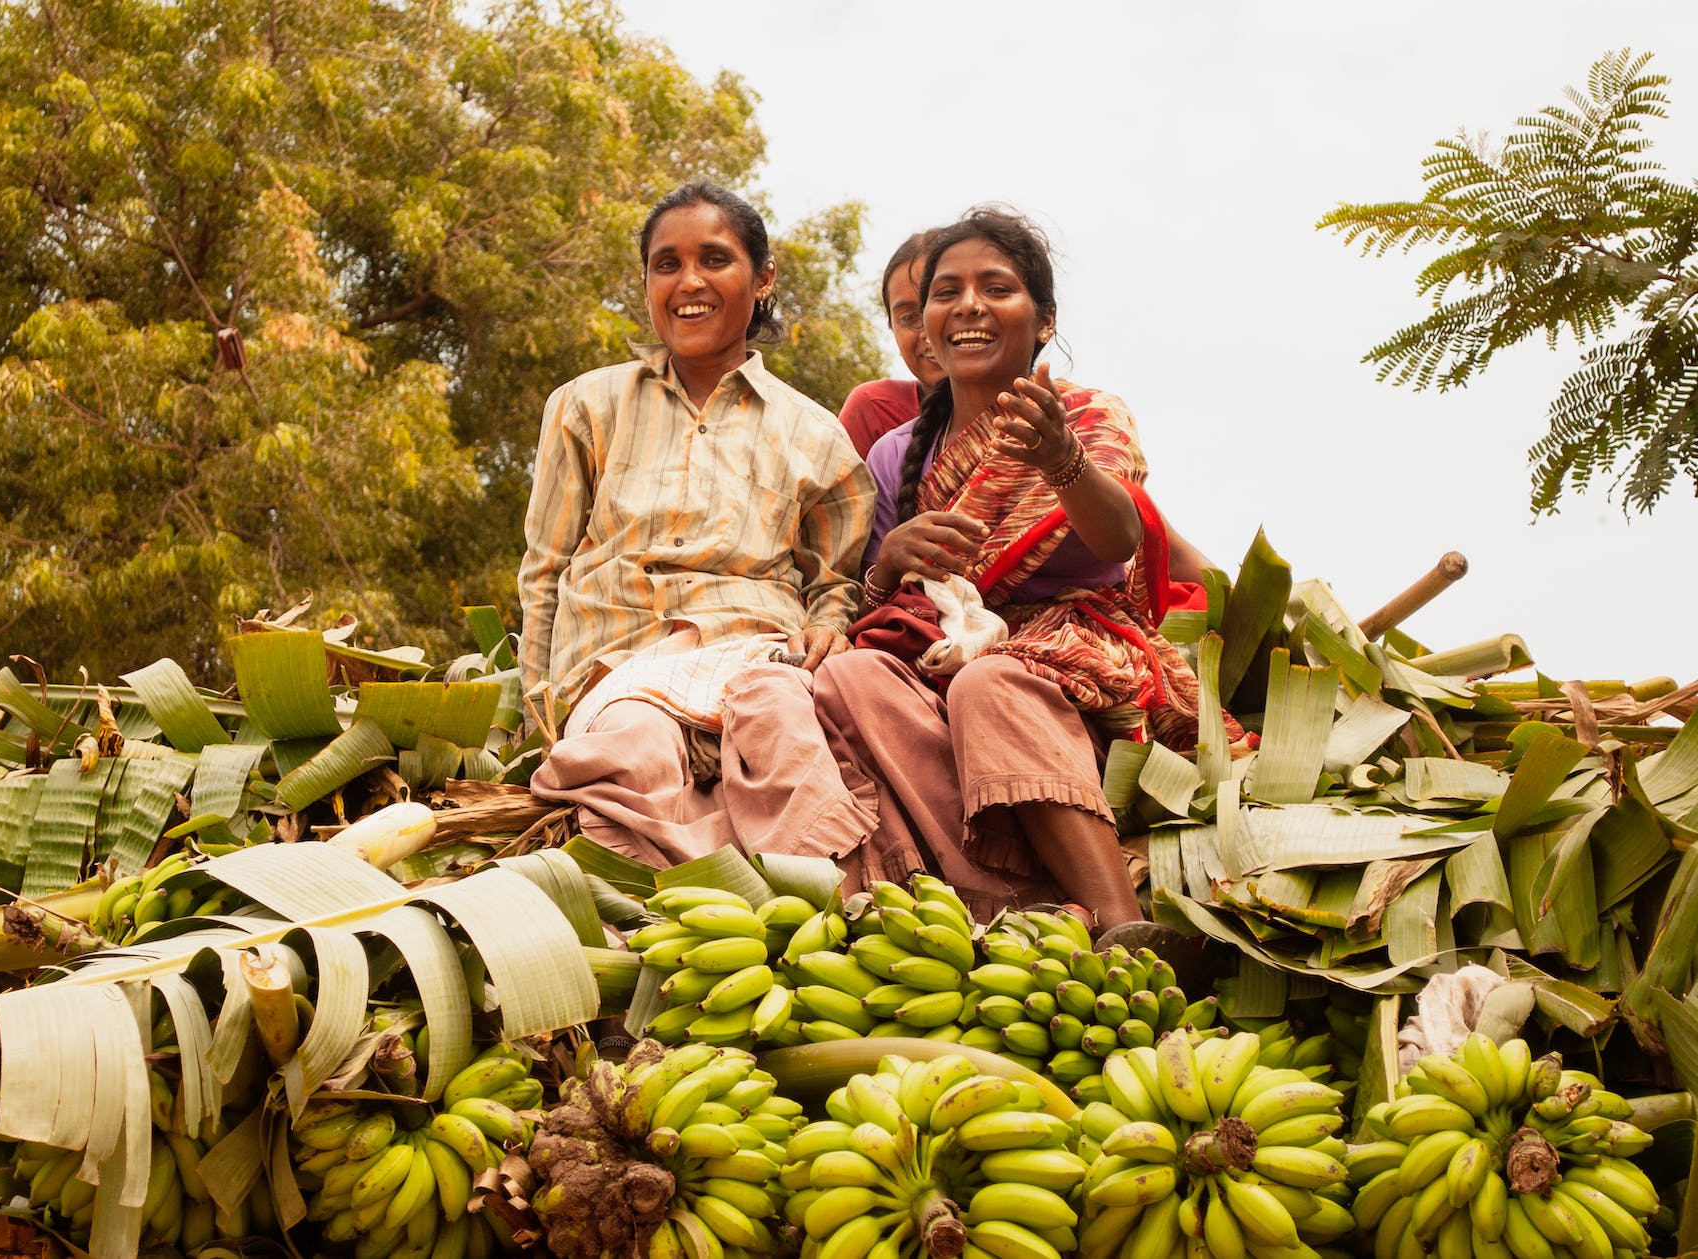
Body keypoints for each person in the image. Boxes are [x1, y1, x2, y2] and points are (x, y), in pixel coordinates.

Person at [814, 208, 1237, 932]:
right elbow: (872, 608)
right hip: (948, 660)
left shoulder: (1088, 413)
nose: (968, 306)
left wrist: (1058, 458)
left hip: (1080, 657)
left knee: (993, 678)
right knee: (847, 677)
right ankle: (984, 898)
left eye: (996, 287)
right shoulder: (894, 455)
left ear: (1042, 321)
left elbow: (1119, 538)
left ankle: (1118, 922)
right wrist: (890, 563)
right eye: (946, 292)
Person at [519, 180, 880, 871]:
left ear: (763, 278)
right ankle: (675, 916)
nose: (689, 282)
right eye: (666, 263)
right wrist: (541, 713)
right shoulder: (586, 406)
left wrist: (828, 623)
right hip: (616, 663)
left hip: (753, 655)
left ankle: (831, 910)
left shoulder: (817, 435)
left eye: (715, 259)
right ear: (647, 281)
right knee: (634, 748)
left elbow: (834, 582)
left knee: (786, 734)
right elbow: (545, 572)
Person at [836, 232, 947, 457]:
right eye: (909, 318)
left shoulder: (1032, 410)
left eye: (944, 302)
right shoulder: (875, 408)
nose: (928, 335)